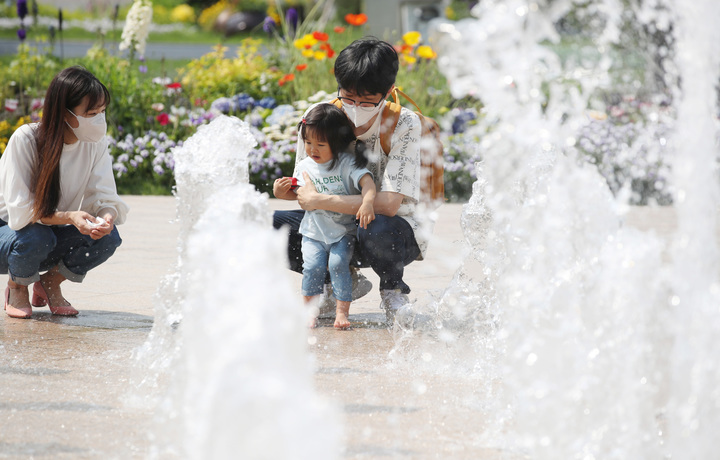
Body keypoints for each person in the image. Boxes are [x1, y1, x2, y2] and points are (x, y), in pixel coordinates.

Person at [273, 36, 431, 322]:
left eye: (367, 101)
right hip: (331, 226)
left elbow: (389, 204)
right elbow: (303, 187)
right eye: (347, 98)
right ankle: (334, 283)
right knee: (264, 227)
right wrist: (286, 191)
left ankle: (393, 290)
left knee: (377, 224)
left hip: (391, 232)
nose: (355, 107)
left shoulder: (404, 124)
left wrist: (321, 200)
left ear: (389, 91)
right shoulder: (319, 117)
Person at [0, 66, 128, 319]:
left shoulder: (95, 144)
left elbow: (104, 197)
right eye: (91, 113)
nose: (99, 119)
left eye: (102, 112)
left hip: (49, 231)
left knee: (108, 238)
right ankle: (17, 285)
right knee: (36, 237)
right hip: (11, 235)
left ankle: (50, 283)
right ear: (64, 113)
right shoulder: (26, 139)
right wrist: (70, 217)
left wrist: (105, 217)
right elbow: (22, 213)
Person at [274, 104, 376, 329]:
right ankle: (309, 311)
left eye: (321, 144)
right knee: (311, 268)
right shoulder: (305, 166)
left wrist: (367, 202)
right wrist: (281, 193)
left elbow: (367, 183)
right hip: (313, 232)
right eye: (308, 143)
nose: (313, 149)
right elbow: (300, 195)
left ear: (337, 144)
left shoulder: (347, 164)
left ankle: (341, 312)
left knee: (339, 264)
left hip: (342, 233)